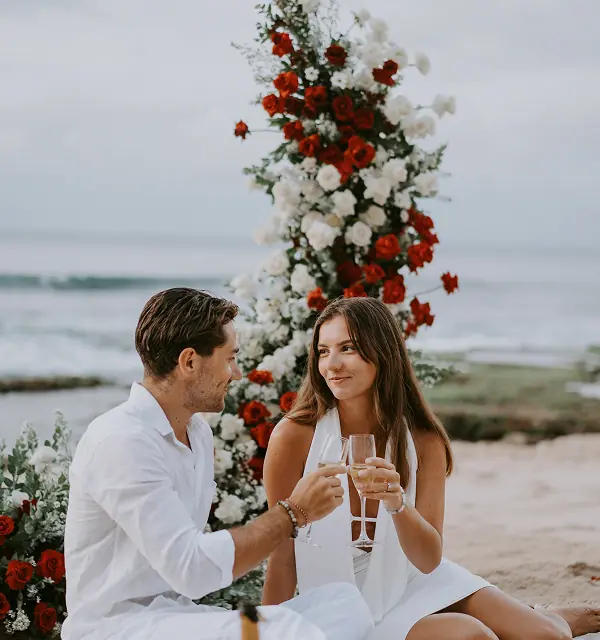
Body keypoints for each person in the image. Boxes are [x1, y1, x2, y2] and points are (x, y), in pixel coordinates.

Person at [263, 297, 600, 640]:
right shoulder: (294, 437)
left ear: (382, 351)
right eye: (322, 351)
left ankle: (555, 617)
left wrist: (397, 504)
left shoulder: (423, 441)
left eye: (347, 348)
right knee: (472, 635)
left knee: (547, 636)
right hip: (340, 598)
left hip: (408, 576)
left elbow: (427, 561)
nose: (331, 364)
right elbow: (282, 553)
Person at [62, 288, 373, 640]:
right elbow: (191, 570)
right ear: (190, 362)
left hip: (178, 619)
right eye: (229, 358)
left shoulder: (197, 434)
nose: (237, 373)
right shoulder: (121, 440)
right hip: (117, 629)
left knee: (342, 603)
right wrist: (292, 513)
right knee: (287, 629)